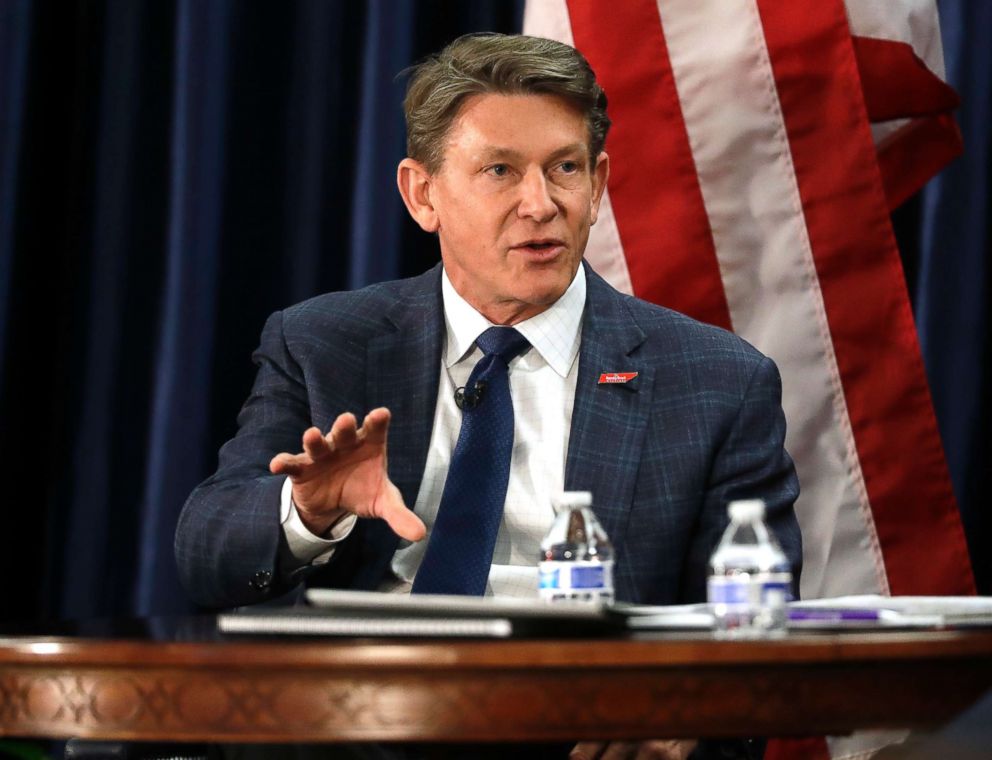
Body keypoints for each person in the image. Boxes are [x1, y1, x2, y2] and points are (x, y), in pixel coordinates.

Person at [175, 33, 801, 760]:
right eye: (500, 170)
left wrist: (688, 714)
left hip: (583, 730)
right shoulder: (325, 344)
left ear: (597, 185)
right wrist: (308, 513)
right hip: (362, 728)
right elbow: (206, 556)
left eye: (563, 168)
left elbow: (757, 623)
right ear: (422, 194)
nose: (540, 204)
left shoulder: (716, 379)